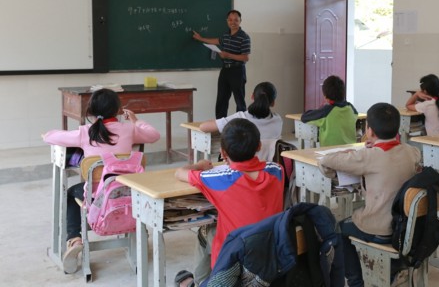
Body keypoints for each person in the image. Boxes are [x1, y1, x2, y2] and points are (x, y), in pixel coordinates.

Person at [42, 88, 160, 274]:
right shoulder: (129, 130)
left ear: (90, 111)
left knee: (71, 193)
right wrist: (136, 121)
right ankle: (138, 234)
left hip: (96, 197)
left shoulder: (85, 132)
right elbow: (154, 135)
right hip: (128, 192)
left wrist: (47, 134)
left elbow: (51, 137)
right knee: (112, 187)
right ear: (118, 110)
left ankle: (75, 239)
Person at [317, 103, 421, 287]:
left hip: (380, 229)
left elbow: (327, 160)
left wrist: (349, 152)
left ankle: (356, 282)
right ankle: (395, 267)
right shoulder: (412, 152)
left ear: (369, 131)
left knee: (339, 228)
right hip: (406, 228)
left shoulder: (369, 156)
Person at [174, 118, 284, 287]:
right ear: (259, 146)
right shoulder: (277, 170)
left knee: (206, 229)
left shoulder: (220, 179)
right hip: (269, 251)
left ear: (223, 153)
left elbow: (179, 173)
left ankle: (203, 282)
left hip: (234, 256)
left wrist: (199, 164)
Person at [198, 81, 282, 161]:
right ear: (273, 102)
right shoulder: (278, 120)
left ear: (252, 96)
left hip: (243, 170)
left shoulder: (241, 118)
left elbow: (203, 127)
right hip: (268, 169)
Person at [192, 9, 250, 119]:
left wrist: (228, 55)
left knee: (239, 101)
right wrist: (200, 38)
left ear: (240, 21)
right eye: (230, 20)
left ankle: (242, 127)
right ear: (227, 21)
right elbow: (216, 41)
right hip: (225, 70)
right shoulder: (225, 35)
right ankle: (219, 127)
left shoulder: (244, 37)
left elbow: (245, 57)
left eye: (236, 20)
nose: (233, 22)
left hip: (237, 71)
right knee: (221, 100)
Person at [301, 75, 358, 147]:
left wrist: (321, 109)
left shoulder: (326, 111)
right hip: (351, 150)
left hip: (330, 152)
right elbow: (356, 115)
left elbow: (304, 117)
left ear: (325, 96)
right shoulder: (351, 108)